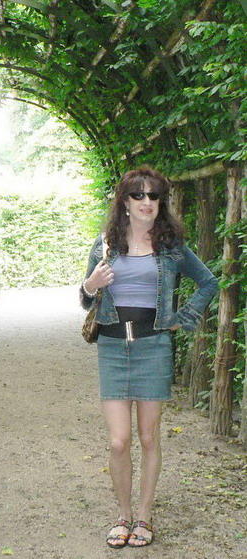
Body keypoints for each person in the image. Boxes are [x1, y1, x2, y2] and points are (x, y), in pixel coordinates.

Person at [79, 165, 219, 548]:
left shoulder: (171, 248)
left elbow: (208, 282)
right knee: (119, 441)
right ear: (124, 202)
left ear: (161, 202)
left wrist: (182, 319)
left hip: (153, 347)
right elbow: (86, 299)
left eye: (154, 195)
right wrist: (90, 285)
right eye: (138, 195)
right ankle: (122, 515)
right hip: (112, 347)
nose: (147, 202)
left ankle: (144, 516)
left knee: (148, 437)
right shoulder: (105, 245)